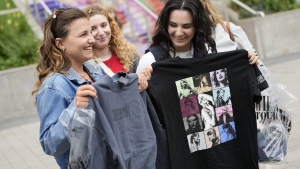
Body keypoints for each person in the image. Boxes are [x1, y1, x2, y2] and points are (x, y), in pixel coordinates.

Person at [31, 8, 103, 169]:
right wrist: (75, 110)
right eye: (83, 35)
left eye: (90, 32)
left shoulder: (97, 70)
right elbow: (49, 144)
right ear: (60, 43)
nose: (92, 39)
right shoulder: (53, 87)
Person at [82, 5, 150, 91]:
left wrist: (144, 80)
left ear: (110, 26)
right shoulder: (85, 66)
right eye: (93, 29)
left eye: (103, 25)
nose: (101, 32)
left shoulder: (129, 54)